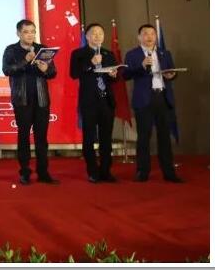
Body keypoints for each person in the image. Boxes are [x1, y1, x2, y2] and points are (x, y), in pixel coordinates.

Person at [123, 24, 182, 183]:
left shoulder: (164, 53)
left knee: (164, 137)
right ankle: (142, 172)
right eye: (145, 34)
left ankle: (169, 173)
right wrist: (141, 66)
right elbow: (126, 75)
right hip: (144, 100)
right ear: (139, 37)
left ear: (156, 37)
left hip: (162, 97)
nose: (149, 37)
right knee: (144, 137)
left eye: (152, 34)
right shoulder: (132, 54)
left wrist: (171, 75)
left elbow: (172, 71)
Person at [2, 19, 58, 185]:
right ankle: (25, 172)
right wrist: (25, 60)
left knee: (42, 137)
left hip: (41, 99)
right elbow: (7, 70)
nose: (30, 35)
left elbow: (53, 72)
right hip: (22, 99)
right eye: (26, 32)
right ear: (18, 33)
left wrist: (46, 69)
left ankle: (43, 172)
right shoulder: (11, 50)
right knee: (24, 135)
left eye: (33, 31)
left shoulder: (42, 49)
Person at [70, 23, 119, 183]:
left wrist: (113, 75)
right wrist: (91, 62)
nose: (97, 36)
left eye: (100, 33)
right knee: (89, 138)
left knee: (106, 139)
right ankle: (92, 171)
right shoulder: (78, 53)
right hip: (89, 101)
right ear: (87, 36)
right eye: (94, 33)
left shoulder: (108, 54)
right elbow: (74, 74)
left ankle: (106, 171)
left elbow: (115, 78)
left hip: (106, 100)